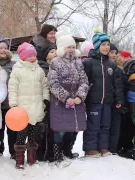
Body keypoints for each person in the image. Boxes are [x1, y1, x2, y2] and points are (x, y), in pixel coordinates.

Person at [48, 31, 89, 167]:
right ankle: (57, 154)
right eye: (68, 47)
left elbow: (84, 81)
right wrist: (66, 98)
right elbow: (53, 83)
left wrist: (79, 96)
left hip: (76, 101)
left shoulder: (78, 62)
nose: (71, 49)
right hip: (60, 102)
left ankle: (68, 151)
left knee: (74, 128)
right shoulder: (55, 62)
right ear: (62, 48)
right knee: (60, 129)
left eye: (73, 46)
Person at [8, 42, 49, 169]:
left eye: (34, 56)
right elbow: (12, 88)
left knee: (33, 136)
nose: (32, 58)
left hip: (36, 109)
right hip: (22, 111)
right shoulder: (17, 70)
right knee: (21, 136)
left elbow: (44, 86)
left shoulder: (39, 70)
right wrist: (13, 104)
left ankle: (32, 156)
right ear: (22, 57)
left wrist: (46, 99)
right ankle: (19, 157)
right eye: (29, 56)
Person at [82, 31, 122, 157]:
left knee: (105, 125)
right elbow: (84, 82)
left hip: (107, 101)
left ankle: (103, 147)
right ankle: (90, 148)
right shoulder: (88, 62)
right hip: (94, 100)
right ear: (97, 45)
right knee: (93, 125)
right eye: (103, 44)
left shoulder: (111, 64)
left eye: (108, 44)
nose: (106, 47)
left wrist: (119, 99)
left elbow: (117, 84)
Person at [0, 34, 17, 157]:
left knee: (13, 129)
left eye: (5, 48)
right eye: (0, 48)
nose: (3, 50)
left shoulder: (14, 64)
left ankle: (13, 152)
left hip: (11, 102)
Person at [36, 43, 57, 162]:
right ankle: (40, 154)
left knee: (53, 129)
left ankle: (52, 153)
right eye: (51, 51)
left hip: (56, 102)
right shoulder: (41, 68)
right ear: (45, 55)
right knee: (42, 129)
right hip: (44, 101)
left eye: (56, 51)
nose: (55, 53)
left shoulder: (58, 66)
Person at [117, 57, 135, 158]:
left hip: (134, 107)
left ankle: (129, 147)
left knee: (132, 130)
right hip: (125, 106)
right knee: (124, 129)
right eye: (132, 67)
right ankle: (122, 147)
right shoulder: (123, 78)